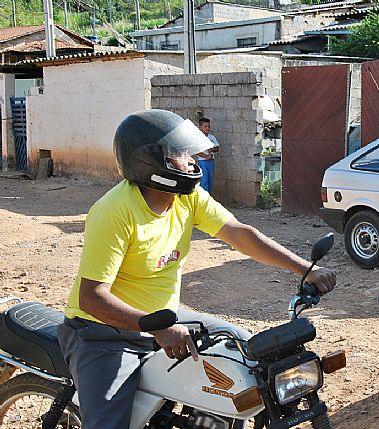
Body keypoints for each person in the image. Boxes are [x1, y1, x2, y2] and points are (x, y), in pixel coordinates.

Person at [57, 109, 337, 429]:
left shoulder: (186, 197)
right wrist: (156, 329)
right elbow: (92, 297)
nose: (192, 161)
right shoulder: (114, 212)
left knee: (245, 354)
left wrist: (304, 269)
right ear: (151, 163)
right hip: (103, 333)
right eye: (178, 154)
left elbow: (240, 234)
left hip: (165, 316)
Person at [195, 116, 219, 195]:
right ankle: (204, 198)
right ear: (200, 127)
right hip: (202, 162)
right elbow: (197, 151)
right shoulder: (198, 138)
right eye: (205, 126)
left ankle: (208, 197)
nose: (207, 128)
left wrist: (211, 150)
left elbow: (217, 148)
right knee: (204, 181)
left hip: (210, 162)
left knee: (210, 180)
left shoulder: (211, 137)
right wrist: (206, 157)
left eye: (208, 126)